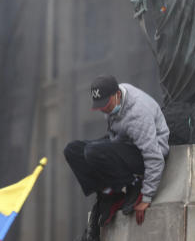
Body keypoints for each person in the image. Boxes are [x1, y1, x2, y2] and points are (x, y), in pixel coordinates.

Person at [64, 75, 169, 227]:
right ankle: (109, 193)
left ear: (117, 94)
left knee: (93, 152)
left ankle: (133, 184)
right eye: (100, 105)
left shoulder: (137, 114)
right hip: (124, 142)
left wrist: (147, 197)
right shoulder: (116, 97)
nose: (104, 109)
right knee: (73, 150)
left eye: (106, 104)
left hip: (144, 153)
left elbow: (154, 157)